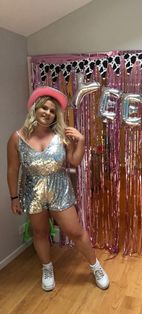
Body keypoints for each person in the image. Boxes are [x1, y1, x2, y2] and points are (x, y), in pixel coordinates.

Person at [7, 86, 109, 291]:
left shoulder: (61, 135)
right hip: (32, 191)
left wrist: (80, 141)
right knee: (39, 232)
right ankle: (47, 268)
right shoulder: (16, 138)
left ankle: (95, 266)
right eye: (44, 108)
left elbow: (74, 160)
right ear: (35, 109)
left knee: (75, 231)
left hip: (59, 189)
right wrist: (14, 197)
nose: (47, 113)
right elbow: (12, 169)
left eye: (52, 111)